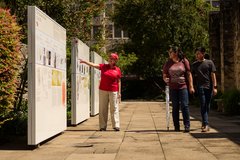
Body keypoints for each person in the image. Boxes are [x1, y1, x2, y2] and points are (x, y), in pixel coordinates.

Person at [80, 53, 121, 131]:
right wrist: (85, 62)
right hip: (103, 90)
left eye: (112, 58)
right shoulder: (103, 66)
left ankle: (116, 125)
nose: (110, 59)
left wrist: (119, 92)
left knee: (114, 108)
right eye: (109, 58)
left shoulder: (117, 69)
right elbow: (94, 65)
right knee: (103, 108)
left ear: (115, 60)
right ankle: (102, 126)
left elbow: (119, 81)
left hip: (113, 91)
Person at [163, 46, 194, 132]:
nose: (169, 54)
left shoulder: (184, 61)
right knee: (175, 106)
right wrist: (165, 79)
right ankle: (176, 126)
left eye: (170, 52)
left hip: (183, 87)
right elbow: (164, 75)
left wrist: (191, 86)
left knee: (185, 105)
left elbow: (188, 74)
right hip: (173, 87)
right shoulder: (168, 63)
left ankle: (187, 125)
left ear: (175, 53)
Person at [192, 47, 217, 132]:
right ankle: (206, 124)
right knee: (203, 104)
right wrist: (192, 86)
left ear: (203, 53)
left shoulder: (209, 63)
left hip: (209, 87)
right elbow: (191, 76)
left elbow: (213, 76)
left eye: (199, 53)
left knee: (207, 105)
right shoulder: (194, 65)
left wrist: (215, 87)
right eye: (196, 54)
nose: (197, 55)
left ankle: (204, 121)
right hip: (200, 87)